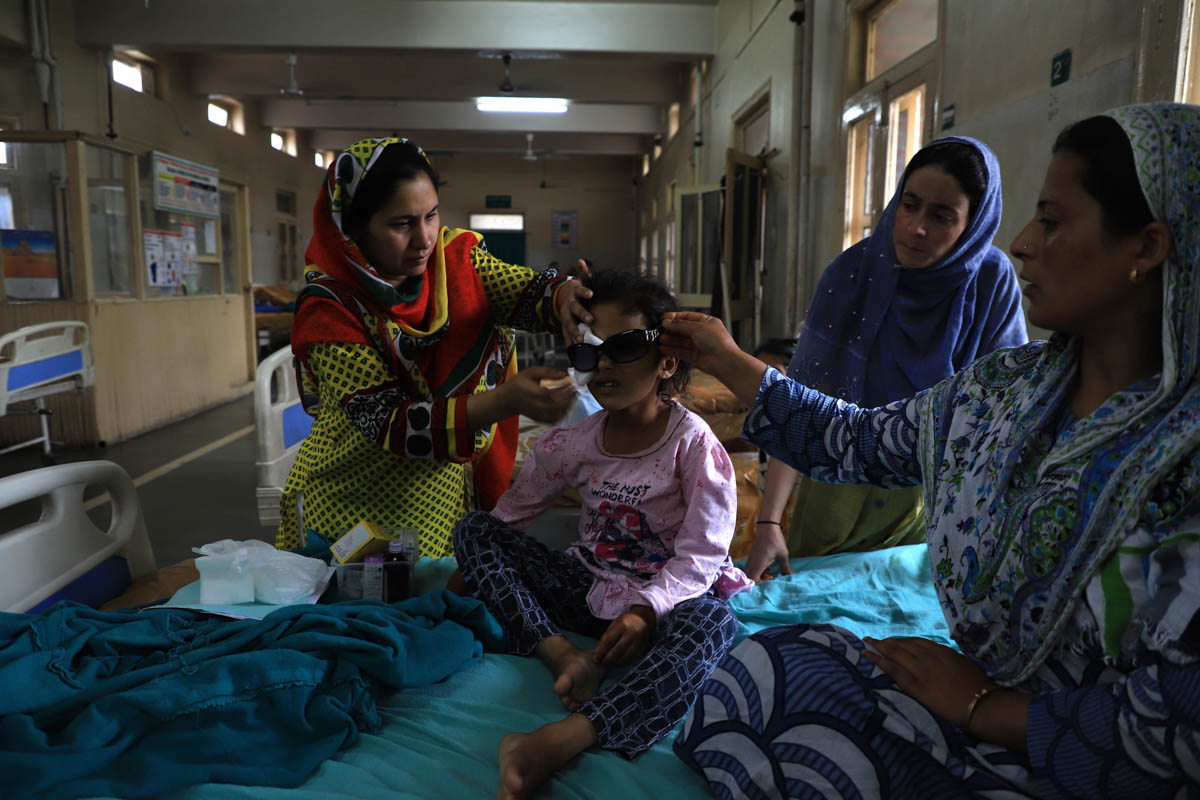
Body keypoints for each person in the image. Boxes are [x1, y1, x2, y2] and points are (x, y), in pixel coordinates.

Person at [663, 104, 1200, 797]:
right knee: (760, 674)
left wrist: (987, 709)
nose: (1024, 244)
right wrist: (730, 359)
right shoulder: (1006, 391)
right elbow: (854, 437)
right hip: (979, 700)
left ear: (1147, 247)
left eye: (1054, 221)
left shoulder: (1180, 453)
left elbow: (1180, 722)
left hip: (1098, 753)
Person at [452, 269, 753, 800]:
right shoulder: (572, 442)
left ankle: (564, 737)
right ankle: (562, 656)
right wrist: (475, 567)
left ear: (667, 360)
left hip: (664, 603)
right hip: (587, 588)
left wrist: (646, 610)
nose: (605, 362)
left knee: (713, 623)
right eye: (590, 352)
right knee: (474, 529)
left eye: (623, 346)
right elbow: (509, 518)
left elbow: (703, 555)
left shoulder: (694, 448)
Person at [276, 137, 592, 557]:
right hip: (349, 512)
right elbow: (390, 423)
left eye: (431, 215)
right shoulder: (329, 310)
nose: (424, 238)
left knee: (437, 604)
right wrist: (505, 401)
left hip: (440, 506)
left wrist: (565, 295)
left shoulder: (456, 262)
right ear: (353, 228)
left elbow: (524, 293)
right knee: (361, 614)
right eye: (402, 224)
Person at [747, 138, 1027, 582]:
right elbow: (799, 407)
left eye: (941, 216)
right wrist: (770, 521)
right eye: (909, 205)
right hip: (835, 490)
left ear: (973, 224)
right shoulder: (850, 277)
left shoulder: (990, 283)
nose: (916, 227)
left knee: (908, 629)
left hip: (934, 504)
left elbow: (1005, 416)